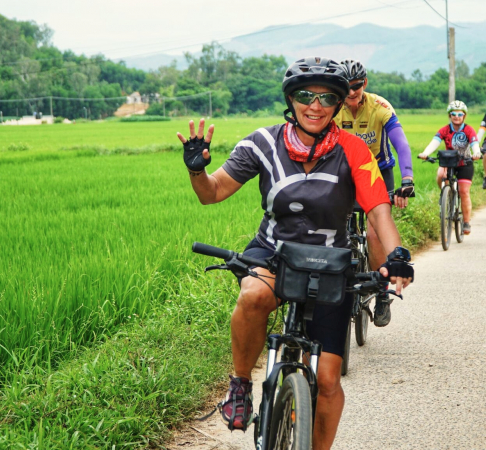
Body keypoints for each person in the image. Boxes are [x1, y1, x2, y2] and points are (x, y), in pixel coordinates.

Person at [177, 56, 414, 450]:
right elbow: (212, 193)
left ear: (339, 104)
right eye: (306, 95)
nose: (315, 105)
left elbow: (377, 211)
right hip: (274, 252)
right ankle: (239, 385)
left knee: (327, 380)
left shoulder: (355, 150)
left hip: (331, 261)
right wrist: (196, 171)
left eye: (327, 98)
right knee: (253, 295)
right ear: (291, 99)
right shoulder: (262, 143)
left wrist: (397, 255)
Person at [333, 59, 414, 327]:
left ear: (364, 84)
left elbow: (401, 144)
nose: (351, 93)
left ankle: (381, 291)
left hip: (377, 172)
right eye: (346, 88)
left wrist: (408, 178)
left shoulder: (380, 107)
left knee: (374, 230)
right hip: (344, 172)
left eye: (356, 87)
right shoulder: (332, 108)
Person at [418, 100, 481, 234]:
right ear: (449, 115)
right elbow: (435, 142)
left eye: (460, 114)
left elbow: (475, 142)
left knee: (464, 191)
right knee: (441, 174)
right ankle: (446, 194)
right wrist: (425, 153)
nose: (456, 116)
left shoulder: (468, 130)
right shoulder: (445, 130)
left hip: (465, 163)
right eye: (453, 114)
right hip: (449, 162)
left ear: (464, 116)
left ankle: (466, 222)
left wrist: (476, 153)